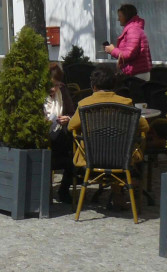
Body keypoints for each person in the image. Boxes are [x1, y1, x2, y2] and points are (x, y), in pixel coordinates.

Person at [68, 66, 149, 206]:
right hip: (121, 158)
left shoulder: (84, 104)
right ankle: (127, 188)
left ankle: (117, 193)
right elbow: (145, 127)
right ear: (114, 85)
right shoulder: (126, 103)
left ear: (93, 86)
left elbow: (71, 127)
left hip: (91, 157)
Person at [46, 63, 77, 203]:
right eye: (52, 85)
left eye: (57, 85)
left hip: (60, 133)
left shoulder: (62, 91)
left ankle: (64, 189)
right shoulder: (38, 94)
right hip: (44, 135)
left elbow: (72, 112)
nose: (54, 89)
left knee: (73, 150)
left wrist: (68, 118)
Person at [104, 3, 152, 80]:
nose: (118, 19)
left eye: (120, 16)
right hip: (137, 73)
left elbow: (129, 54)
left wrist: (113, 50)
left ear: (126, 16)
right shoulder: (134, 28)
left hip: (137, 75)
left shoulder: (133, 30)